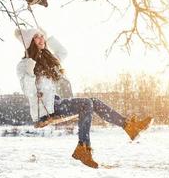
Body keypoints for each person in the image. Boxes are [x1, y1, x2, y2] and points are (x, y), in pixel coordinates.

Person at [16, 28, 153, 169]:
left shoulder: (48, 60)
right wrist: (30, 68)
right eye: (36, 37)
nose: (41, 39)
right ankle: (83, 148)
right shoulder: (23, 65)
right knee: (86, 103)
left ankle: (128, 126)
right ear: (29, 42)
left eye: (42, 36)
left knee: (93, 101)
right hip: (45, 110)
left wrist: (48, 38)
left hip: (56, 103)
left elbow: (63, 52)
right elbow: (28, 91)